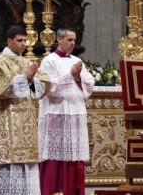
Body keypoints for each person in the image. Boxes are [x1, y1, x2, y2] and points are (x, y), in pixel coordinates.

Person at [0, 25, 50, 195]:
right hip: (7, 120)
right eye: (19, 40)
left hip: (26, 122)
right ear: (9, 41)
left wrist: (32, 80)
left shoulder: (27, 62)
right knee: (8, 163)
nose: (23, 44)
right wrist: (24, 78)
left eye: (25, 40)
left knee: (27, 164)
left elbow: (43, 87)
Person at [39, 28, 95, 195]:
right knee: (55, 155)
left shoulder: (77, 60)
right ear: (59, 39)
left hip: (76, 112)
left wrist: (77, 77)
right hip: (57, 112)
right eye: (69, 40)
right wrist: (70, 75)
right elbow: (48, 87)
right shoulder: (49, 61)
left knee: (74, 154)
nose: (72, 43)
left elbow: (89, 84)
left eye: (74, 40)